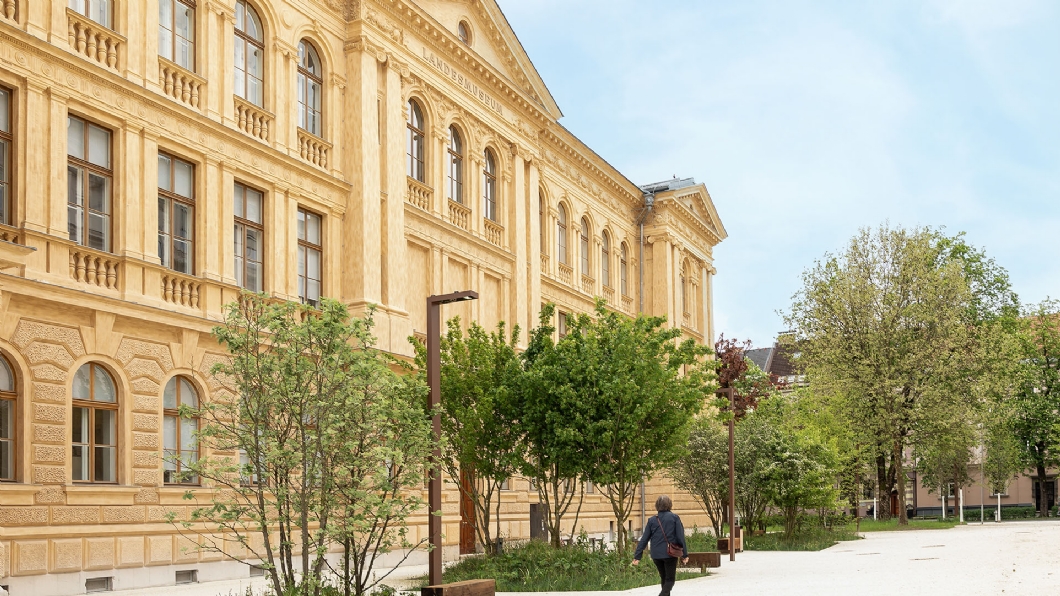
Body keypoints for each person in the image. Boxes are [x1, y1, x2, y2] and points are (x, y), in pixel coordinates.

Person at [632, 495, 689, 596]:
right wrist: (684, 554)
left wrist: (637, 556)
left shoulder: (652, 520)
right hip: (670, 554)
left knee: (664, 579)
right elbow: (680, 537)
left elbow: (644, 539)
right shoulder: (674, 518)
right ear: (669, 505)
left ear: (657, 505)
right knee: (670, 580)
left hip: (656, 555)